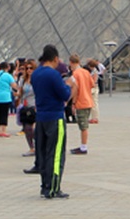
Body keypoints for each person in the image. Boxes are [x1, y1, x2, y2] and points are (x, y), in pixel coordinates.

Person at [32, 45, 73, 199]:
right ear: (55, 58)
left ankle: (45, 186)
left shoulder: (36, 74)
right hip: (55, 117)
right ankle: (54, 188)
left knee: (42, 152)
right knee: (56, 154)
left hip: (41, 117)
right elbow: (64, 95)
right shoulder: (53, 75)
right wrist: (69, 85)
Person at [68, 54, 94, 155]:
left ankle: (83, 147)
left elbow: (75, 89)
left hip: (81, 102)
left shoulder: (75, 74)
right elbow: (92, 84)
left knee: (83, 126)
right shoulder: (86, 72)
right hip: (88, 101)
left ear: (71, 63)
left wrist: (73, 103)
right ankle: (83, 145)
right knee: (84, 125)